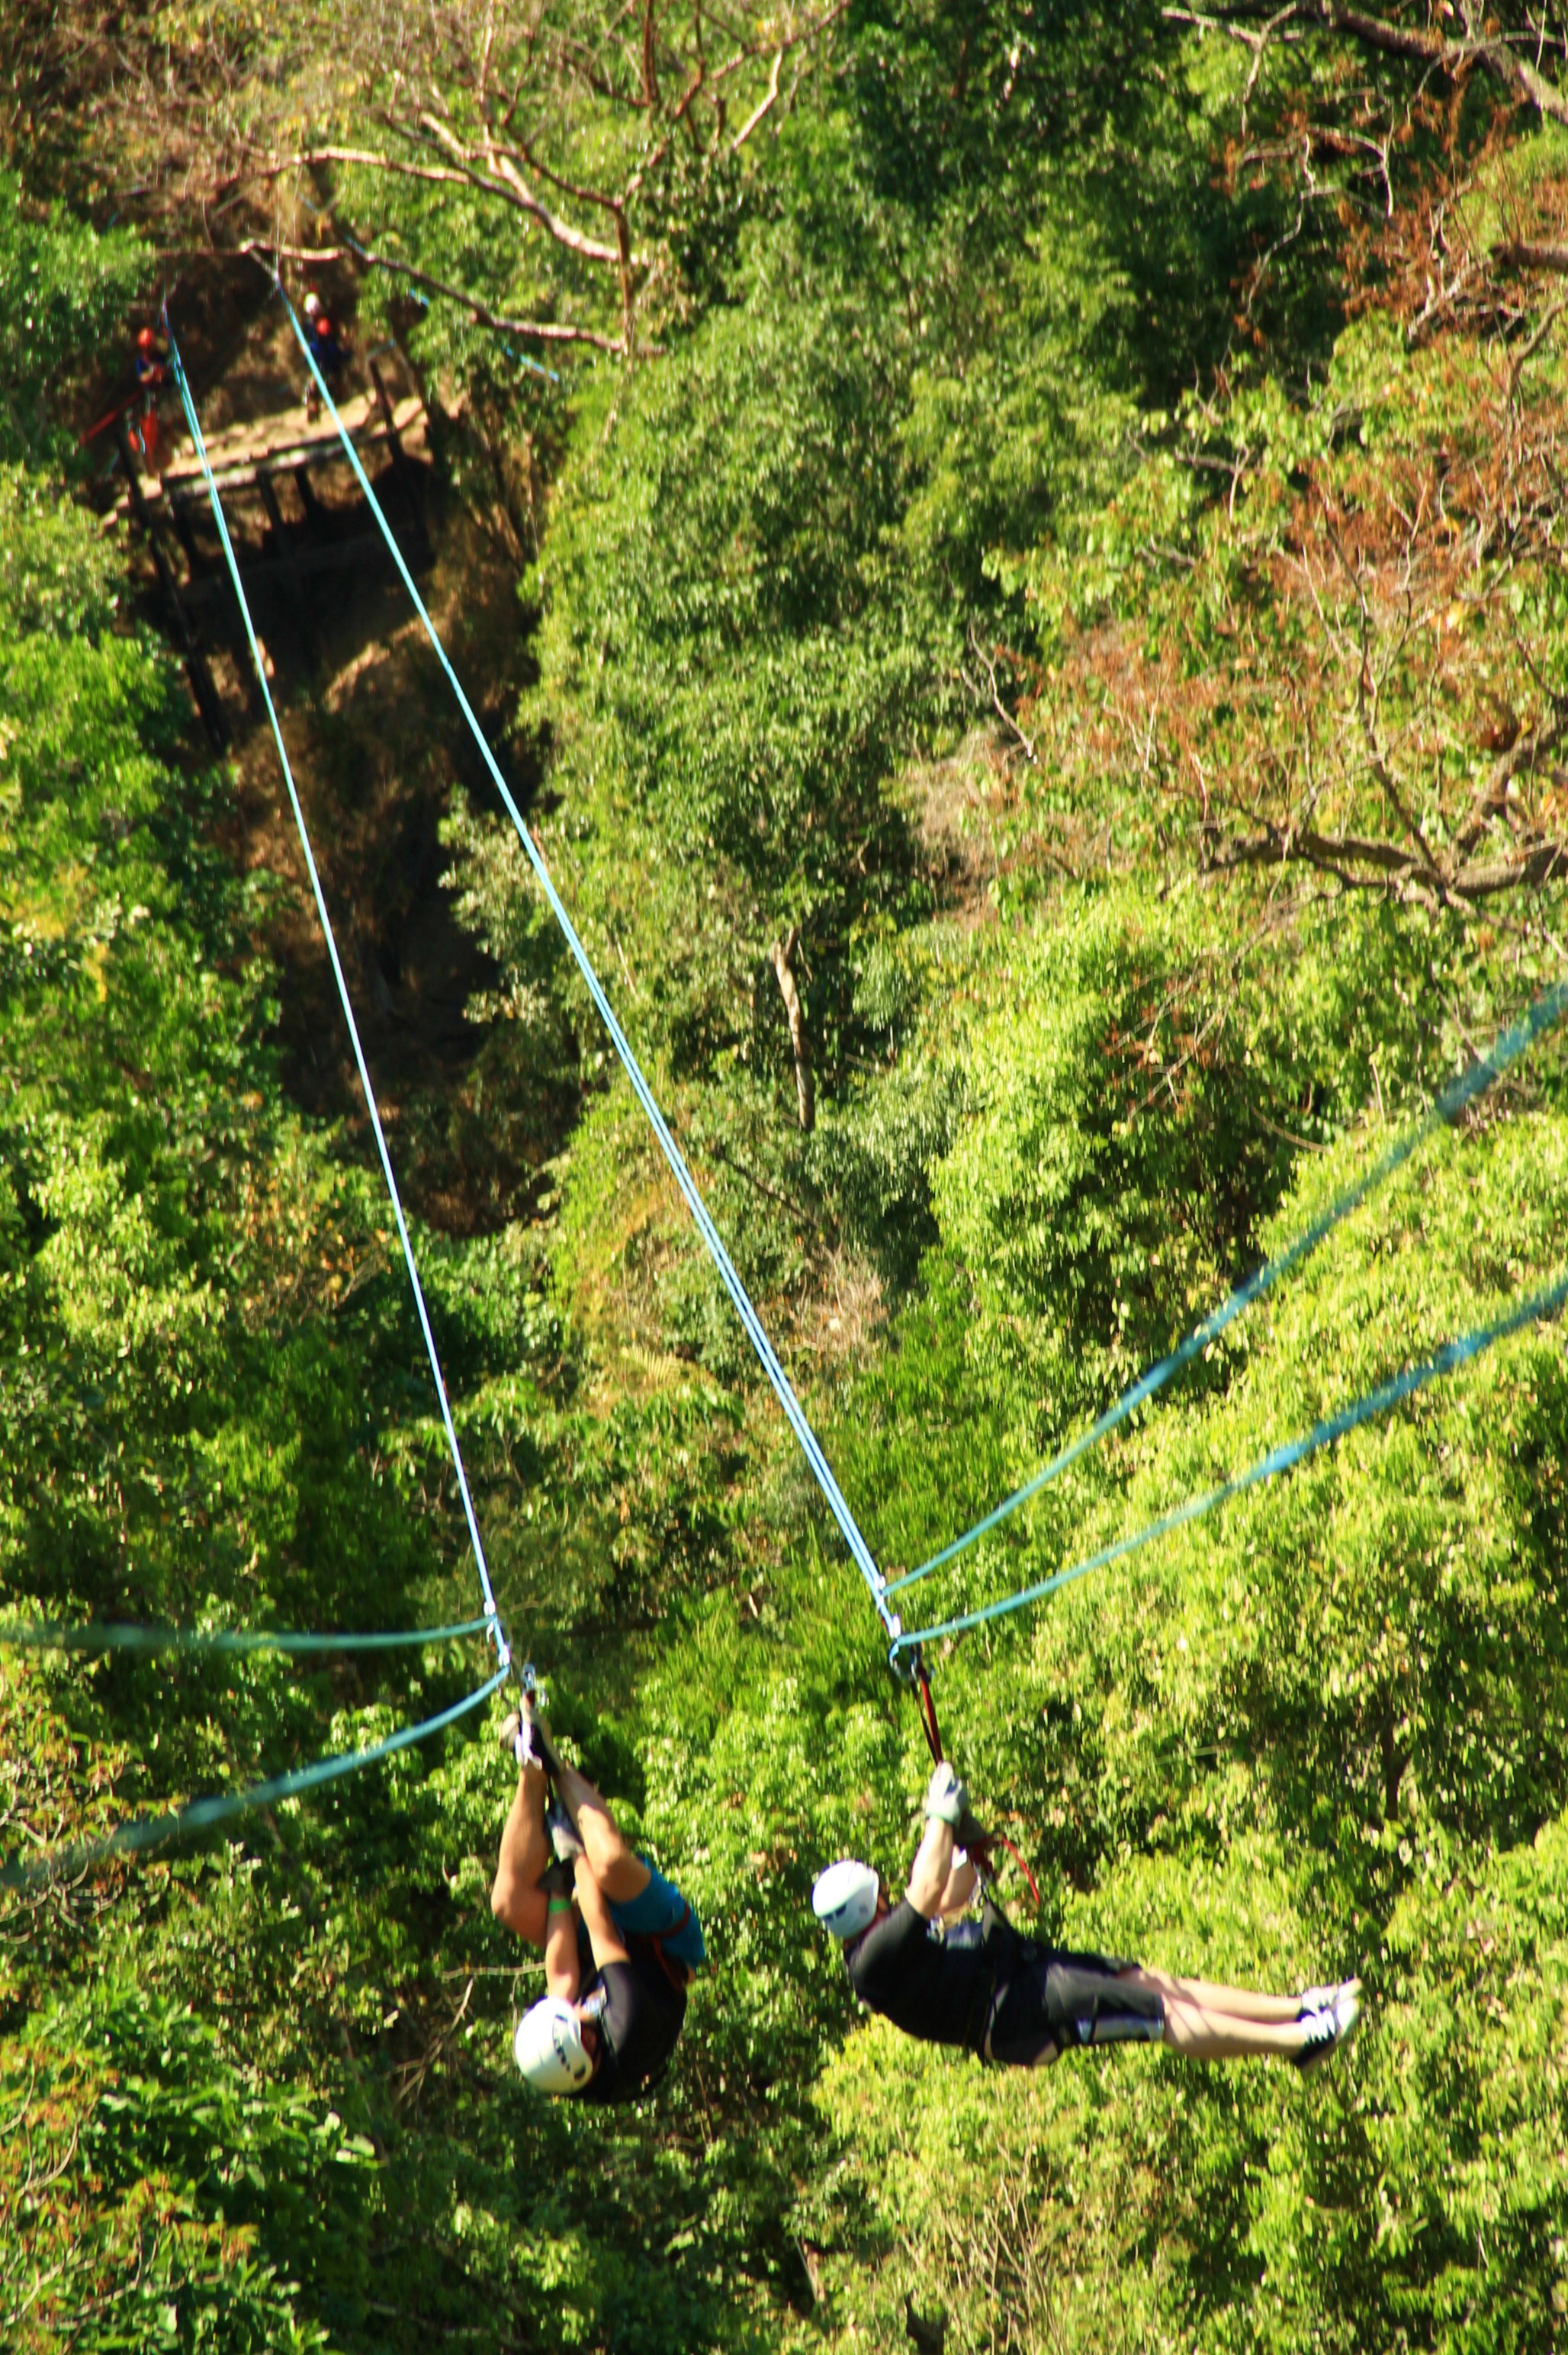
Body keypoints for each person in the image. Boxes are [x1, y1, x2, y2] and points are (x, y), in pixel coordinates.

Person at [813, 1762, 1361, 2073]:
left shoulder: (881, 1945)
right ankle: (1301, 2043)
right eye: (882, 1896)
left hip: (1025, 1978)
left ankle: (1298, 2009)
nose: (889, 1898)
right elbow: (926, 1889)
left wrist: (963, 1844)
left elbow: (950, 1892)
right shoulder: (873, 1961)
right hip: (1021, 2012)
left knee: (1149, 1982)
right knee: (1159, 2013)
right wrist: (938, 1812)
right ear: (871, 1907)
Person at [490, 1699, 705, 2103]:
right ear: (591, 2053)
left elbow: (563, 1978)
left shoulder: (556, 2049)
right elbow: (601, 1928)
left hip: (606, 1951)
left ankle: (532, 1767)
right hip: (661, 1943)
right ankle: (557, 1765)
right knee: (606, 1865)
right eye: (588, 2036)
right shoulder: (627, 2029)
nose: (584, 2025)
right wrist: (574, 1855)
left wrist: (558, 1890)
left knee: (508, 1903)